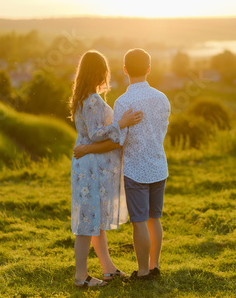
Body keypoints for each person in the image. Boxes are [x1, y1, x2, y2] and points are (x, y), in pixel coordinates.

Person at [69, 50, 143, 288]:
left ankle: (108, 269)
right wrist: (121, 123)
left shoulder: (83, 98)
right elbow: (94, 135)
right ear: (99, 72)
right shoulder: (91, 100)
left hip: (89, 164)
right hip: (90, 167)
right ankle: (81, 277)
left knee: (94, 220)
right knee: (87, 222)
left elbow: (89, 136)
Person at [113, 48, 171, 281]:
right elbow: (162, 130)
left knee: (139, 222)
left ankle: (143, 271)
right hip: (158, 166)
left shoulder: (122, 101)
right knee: (154, 218)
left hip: (135, 170)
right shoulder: (162, 98)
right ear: (149, 69)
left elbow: (119, 139)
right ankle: (154, 266)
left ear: (125, 69)